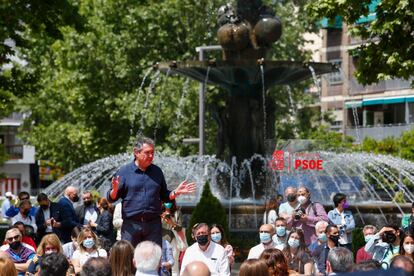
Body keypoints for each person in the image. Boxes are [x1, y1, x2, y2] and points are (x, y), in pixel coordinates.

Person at [107, 137, 196, 247]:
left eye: (152, 153)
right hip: (131, 226)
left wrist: (176, 192)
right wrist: (114, 190)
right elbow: (111, 198)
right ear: (136, 152)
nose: (151, 156)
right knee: (130, 260)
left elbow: (165, 195)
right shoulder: (124, 172)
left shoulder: (157, 172)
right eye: (147, 153)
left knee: (154, 260)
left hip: (153, 226)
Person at [161, 199, 184, 276]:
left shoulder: (177, 213)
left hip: (173, 240)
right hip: (162, 241)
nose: (167, 203)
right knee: (161, 264)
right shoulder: (159, 212)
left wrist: (172, 222)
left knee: (174, 266)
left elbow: (180, 228)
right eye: (166, 201)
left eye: (169, 201)